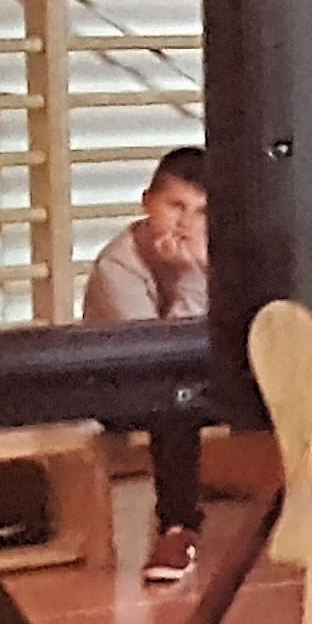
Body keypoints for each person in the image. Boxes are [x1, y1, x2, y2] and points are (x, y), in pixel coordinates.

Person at [81, 144, 211, 581]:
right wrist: (193, 278)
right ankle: (177, 527)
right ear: (147, 203)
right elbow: (159, 357)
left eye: (201, 212)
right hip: (120, 385)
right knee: (174, 398)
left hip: (197, 377)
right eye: (175, 206)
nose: (186, 223)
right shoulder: (118, 266)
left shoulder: (220, 253)